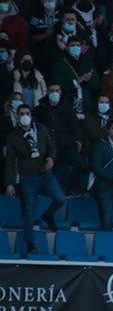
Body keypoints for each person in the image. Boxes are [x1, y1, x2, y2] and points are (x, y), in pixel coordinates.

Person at [3, 104, 65, 253]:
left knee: (60, 199)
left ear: (31, 116)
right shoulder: (12, 136)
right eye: (21, 113)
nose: (25, 116)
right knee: (28, 213)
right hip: (27, 179)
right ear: (17, 117)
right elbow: (10, 162)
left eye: (27, 113)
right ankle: (30, 244)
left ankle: (47, 215)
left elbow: (51, 148)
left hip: (45, 174)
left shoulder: (41, 129)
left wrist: (51, 158)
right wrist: (9, 183)